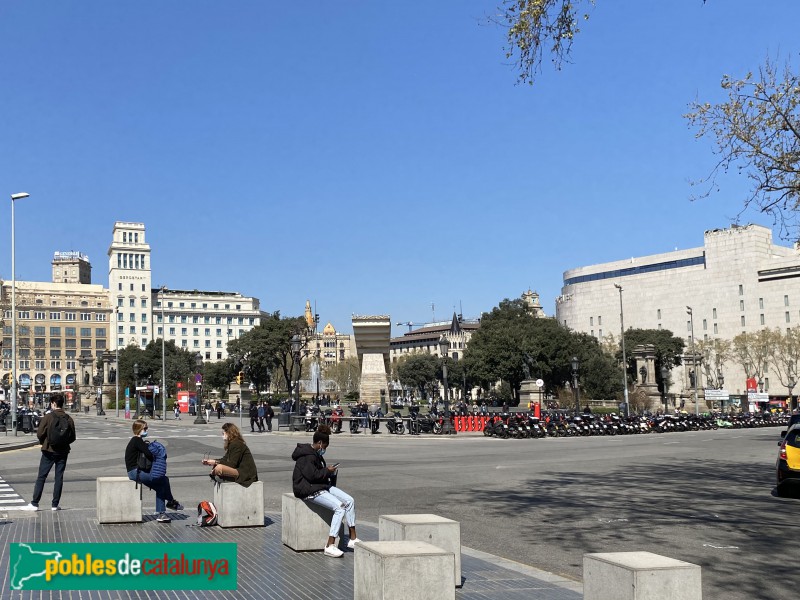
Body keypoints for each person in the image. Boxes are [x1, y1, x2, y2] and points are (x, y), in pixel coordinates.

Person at [292, 425, 360, 557]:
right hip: (307, 489)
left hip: (319, 485)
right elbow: (312, 476)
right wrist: (327, 471)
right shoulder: (306, 456)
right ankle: (330, 545)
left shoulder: (315, 455)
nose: (325, 450)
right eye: (325, 447)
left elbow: (318, 475)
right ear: (320, 443)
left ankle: (353, 539)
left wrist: (330, 473)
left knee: (349, 500)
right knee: (340, 508)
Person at [20, 394, 76, 511]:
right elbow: (73, 437)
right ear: (62, 404)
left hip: (48, 450)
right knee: (59, 477)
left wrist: (44, 442)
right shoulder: (68, 418)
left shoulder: (48, 417)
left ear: (54, 404)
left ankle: (35, 503)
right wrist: (64, 443)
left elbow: (40, 433)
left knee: (42, 476)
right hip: (63, 451)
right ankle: (55, 505)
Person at [124, 419, 182, 523]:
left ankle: (163, 512)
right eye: (145, 428)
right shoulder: (137, 440)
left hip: (136, 471)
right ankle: (170, 502)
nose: (147, 430)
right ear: (139, 429)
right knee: (162, 480)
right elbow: (149, 454)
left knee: (162, 483)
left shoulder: (137, 441)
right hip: (135, 472)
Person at [202, 422, 258, 486]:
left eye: (223, 433)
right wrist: (211, 461)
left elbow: (232, 464)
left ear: (229, 433)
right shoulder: (232, 444)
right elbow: (225, 459)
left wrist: (215, 462)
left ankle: (219, 476)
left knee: (219, 468)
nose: (222, 436)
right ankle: (219, 476)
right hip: (239, 470)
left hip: (246, 473)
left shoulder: (237, 444)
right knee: (217, 466)